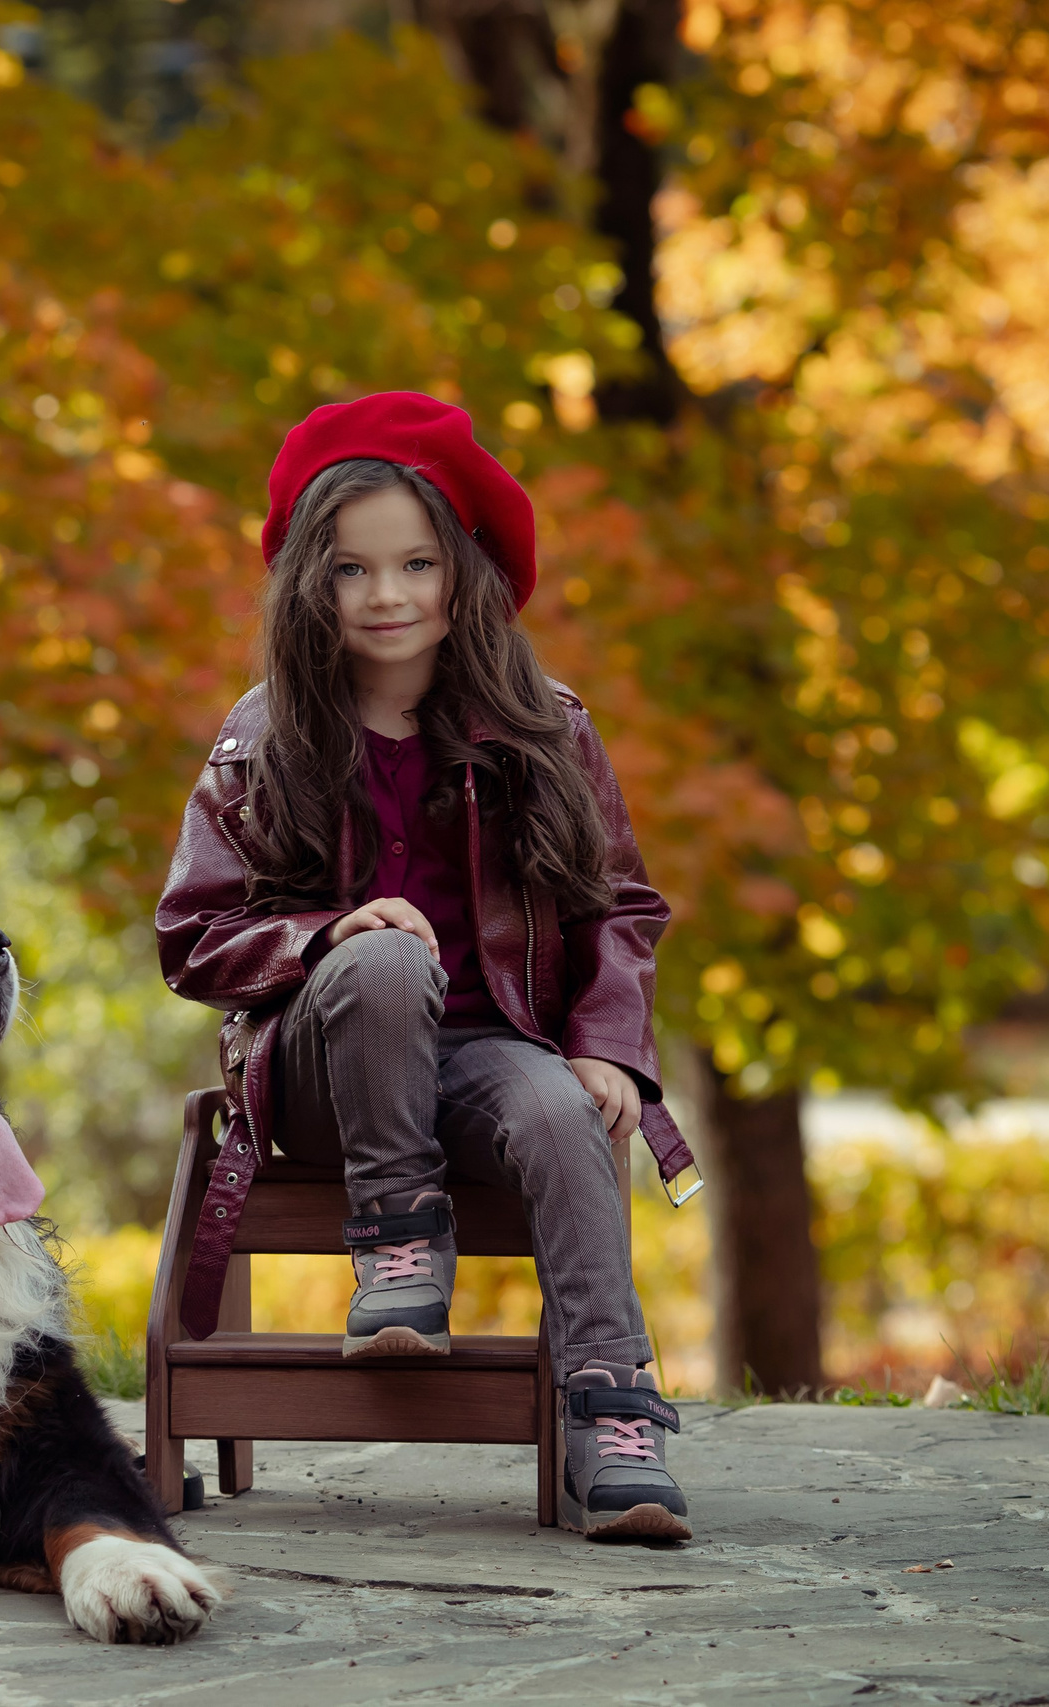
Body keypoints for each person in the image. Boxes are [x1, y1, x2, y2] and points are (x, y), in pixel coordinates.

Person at [155, 391, 697, 1543]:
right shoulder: (266, 735)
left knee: (556, 1109)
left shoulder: (546, 729)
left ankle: (614, 1415)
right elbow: (190, 935)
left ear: (464, 573)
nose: (387, 596)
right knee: (391, 963)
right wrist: (324, 935)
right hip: (322, 1072)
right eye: (352, 570)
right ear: (312, 582)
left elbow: (620, 904)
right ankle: (395, 1237)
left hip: (487, 1049)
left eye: (413, 565)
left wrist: (608, 1051)